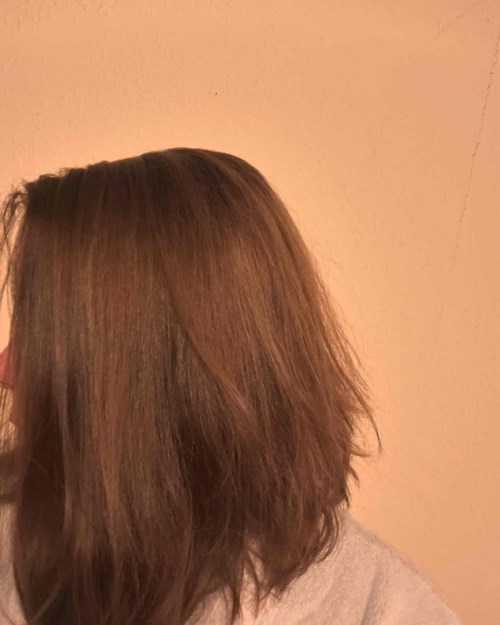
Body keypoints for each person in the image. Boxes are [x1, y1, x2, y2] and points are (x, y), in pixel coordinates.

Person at [0, 148, 463, 625]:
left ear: (150, 379)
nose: (5, 367)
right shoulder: (16, 545)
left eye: (42, 332)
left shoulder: (384, 610)